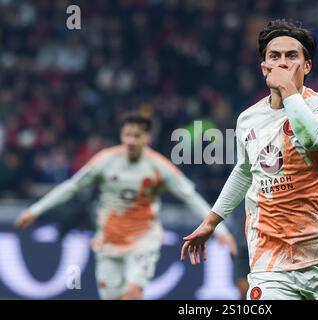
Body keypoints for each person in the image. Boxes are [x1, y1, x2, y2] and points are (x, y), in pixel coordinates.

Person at [180, 19, 318, 300]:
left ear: (306, 66)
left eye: (291, 56)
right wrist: (212, 221)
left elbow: (312, 138)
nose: (282, 63)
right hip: (270, 260)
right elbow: (244, 171)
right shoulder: (248, 119)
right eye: (274, 56)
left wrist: (290, 93)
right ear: (264, 69)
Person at [15, 112, 237, 300]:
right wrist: (35, 210)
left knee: (132, 293)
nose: (131, 140)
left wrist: (219, 230)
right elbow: (72, 187)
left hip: (143, 241)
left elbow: (191, 197)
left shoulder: (159, 167)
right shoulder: (105, 160)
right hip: (108, 241)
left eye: (137, 136)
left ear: (147, 137)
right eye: (127, 135)